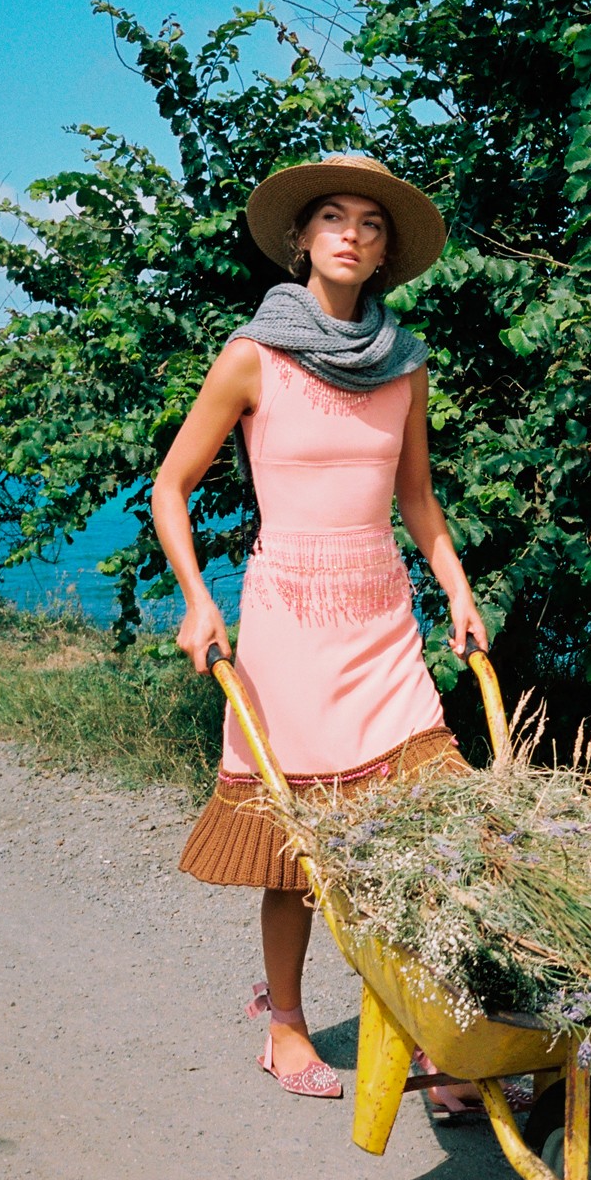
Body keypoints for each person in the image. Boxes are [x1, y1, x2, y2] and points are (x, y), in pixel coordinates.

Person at [153, 154, 487, 1101]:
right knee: (296, 849)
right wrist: (199, 602)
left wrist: (458, 592)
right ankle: (288, 1024)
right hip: (288, 629)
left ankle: (431, 1035)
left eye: (371, 225)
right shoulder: (253, 355)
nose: (352, 234)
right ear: (301, 239)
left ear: (384, 255)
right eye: (333, 217)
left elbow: (417, 500)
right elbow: (171, 486)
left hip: (383, 624)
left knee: (429, 828)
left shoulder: (405, 363)